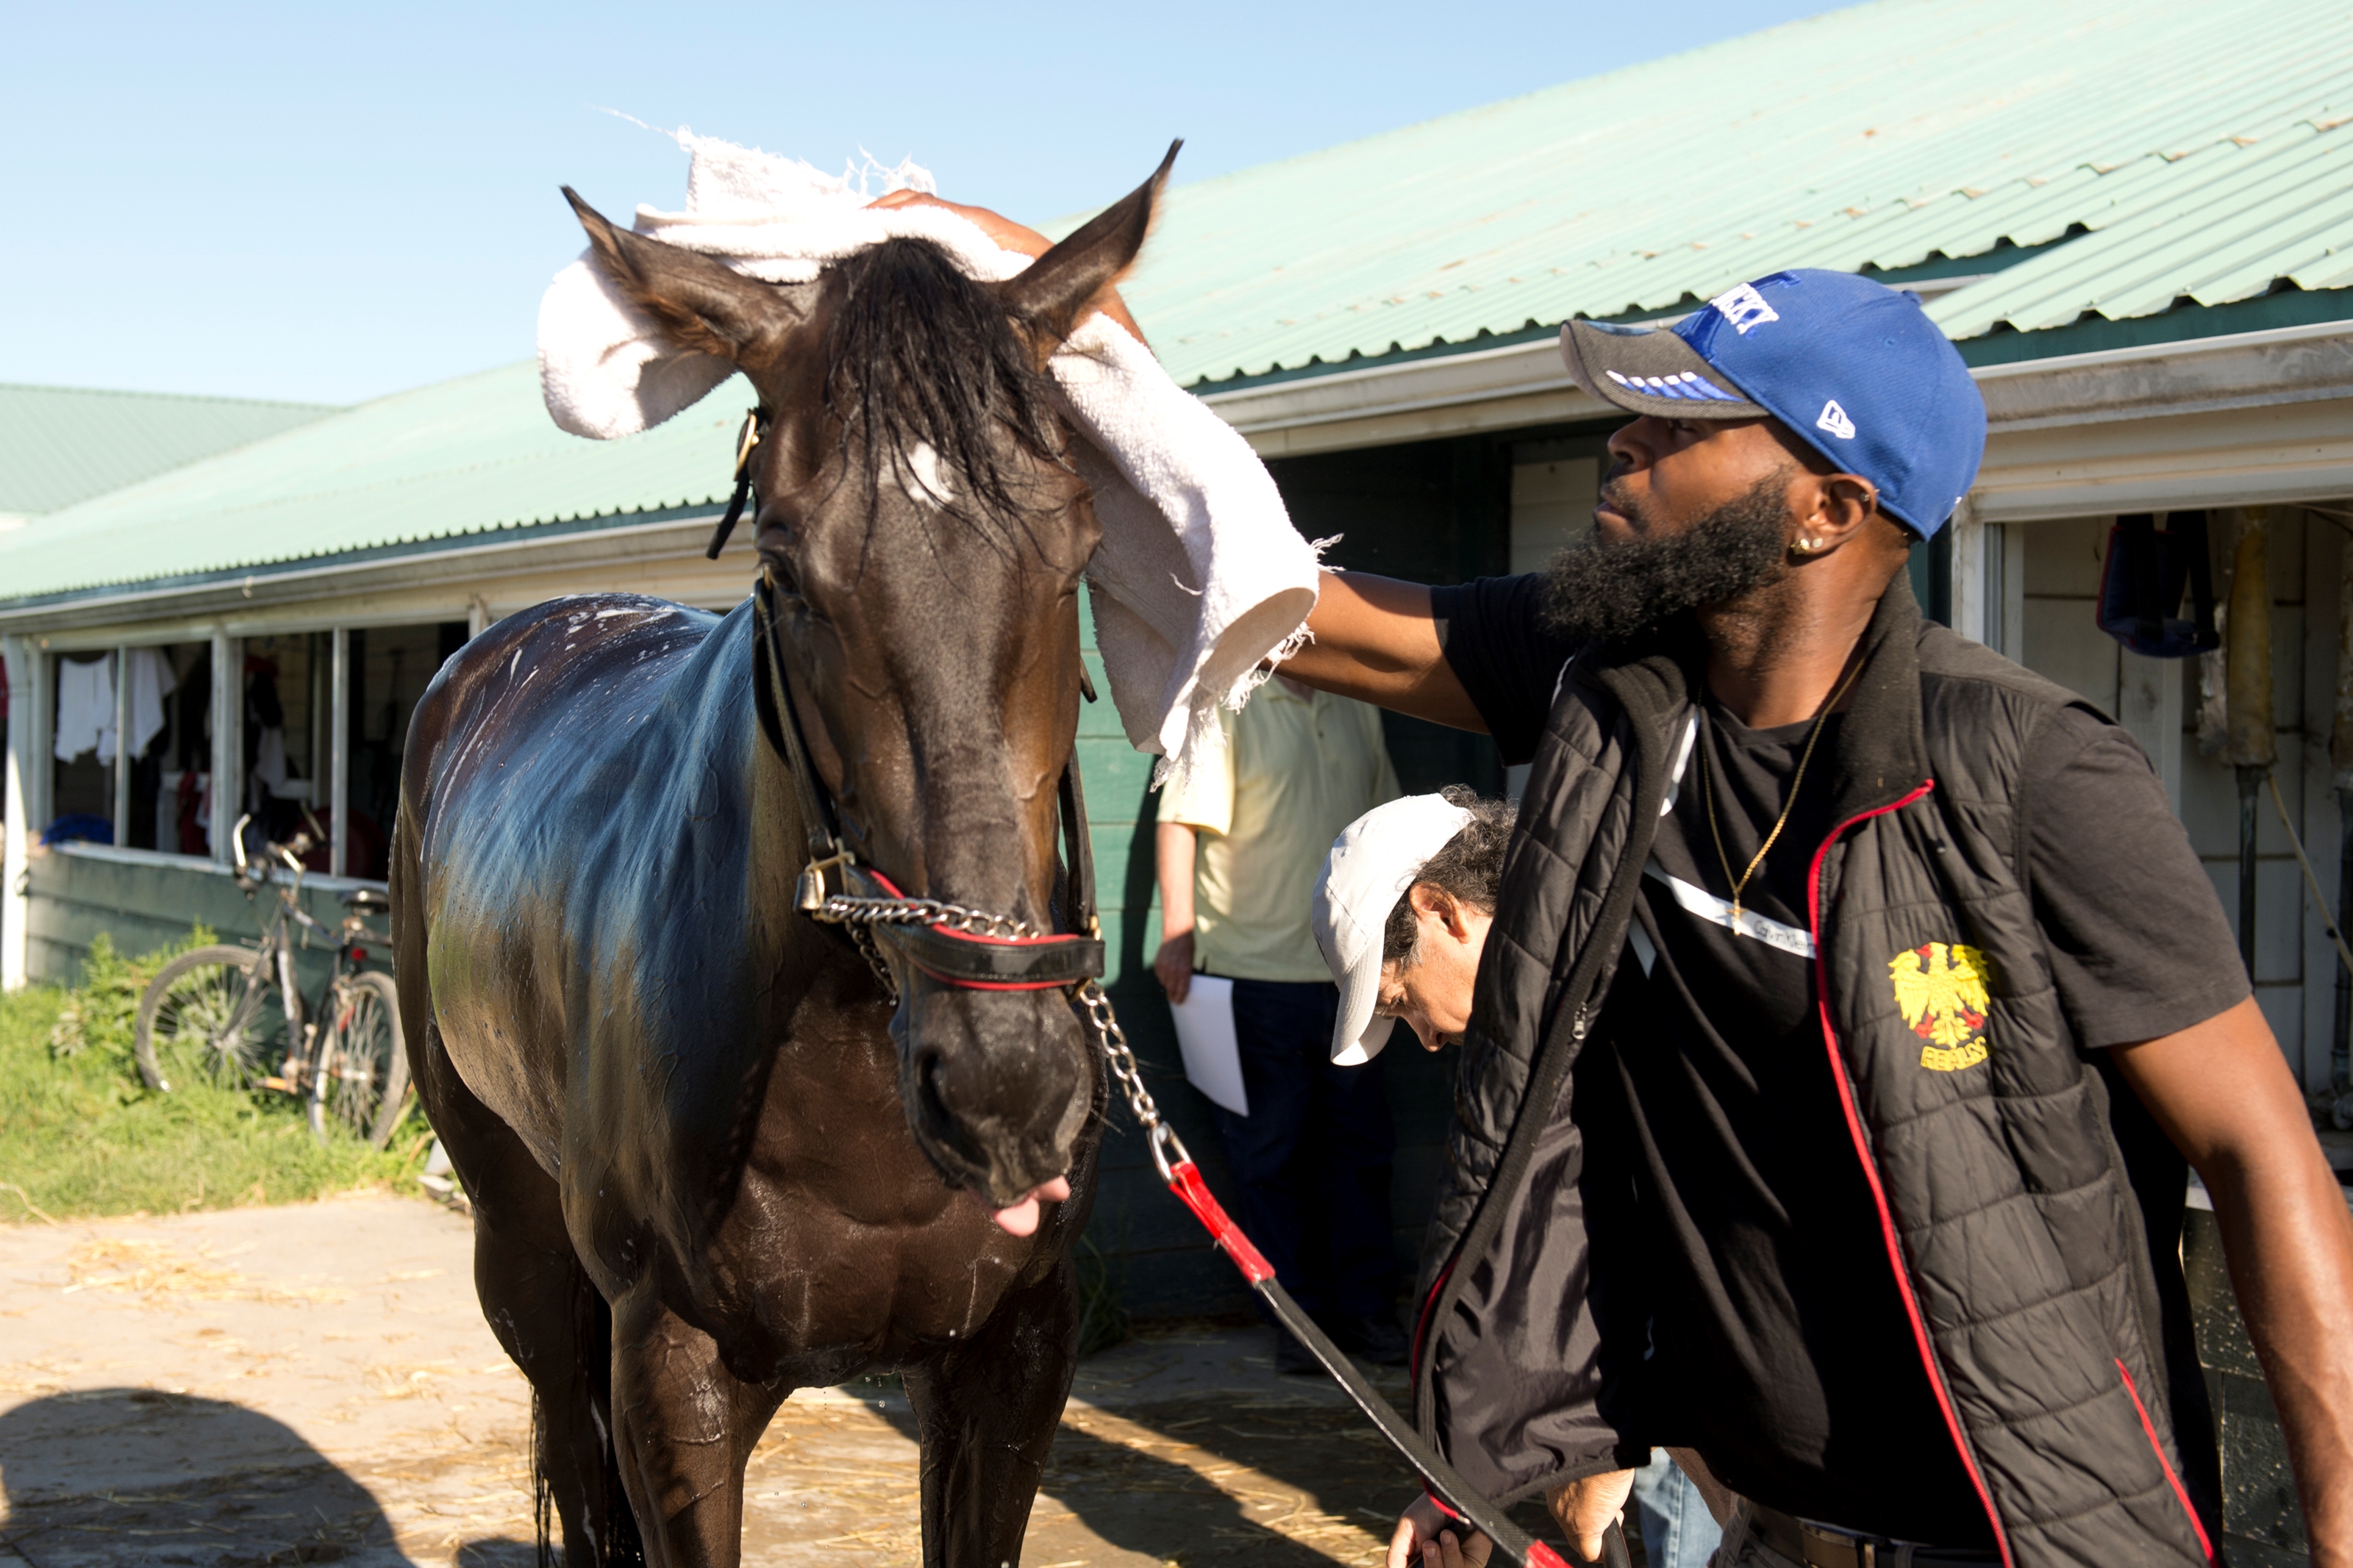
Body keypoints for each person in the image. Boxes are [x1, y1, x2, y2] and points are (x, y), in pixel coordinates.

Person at [891, 188, 2353, 1568]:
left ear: (1823, 509)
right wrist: (1059, 310)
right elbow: (1288, 607)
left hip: (2008, 1524)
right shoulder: (1605, 690)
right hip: (1754, 1515)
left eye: (1679, 429)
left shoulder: (2027, 777)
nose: (1619, 447)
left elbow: (2262, 1155)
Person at [1314, 788, 1724, 1568]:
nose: (1426, 1040)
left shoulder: (1614, 990)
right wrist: (1464, 1488)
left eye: (1401, 1003)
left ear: (1442, 911)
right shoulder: (1568, 990)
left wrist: (1472, 1480)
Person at [1155, 673, 1404, 1374]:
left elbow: (1384, 826)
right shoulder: (1221, 704)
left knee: (1360, 1153)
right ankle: (1300, 1328)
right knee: (1270, 1158)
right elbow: (1177, 819)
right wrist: (1178, 935)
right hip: (1250, 974)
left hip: (1352, 974)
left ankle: (1367, 1313)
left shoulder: (1357, 699)